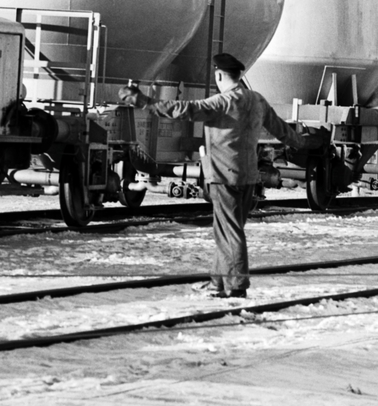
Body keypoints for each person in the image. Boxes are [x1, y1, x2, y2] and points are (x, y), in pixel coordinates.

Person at [120, 52, 324, 299]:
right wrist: (310, 142)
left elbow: (181, 109)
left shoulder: (221, 103)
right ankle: (217, 282)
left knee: (230, 232)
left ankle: (237, 284)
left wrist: (142, 101)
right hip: (249, 177)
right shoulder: (258, 101)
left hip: (223, 177)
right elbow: (285, 133)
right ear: (239, 76)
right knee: (225, 231)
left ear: (219, 75)